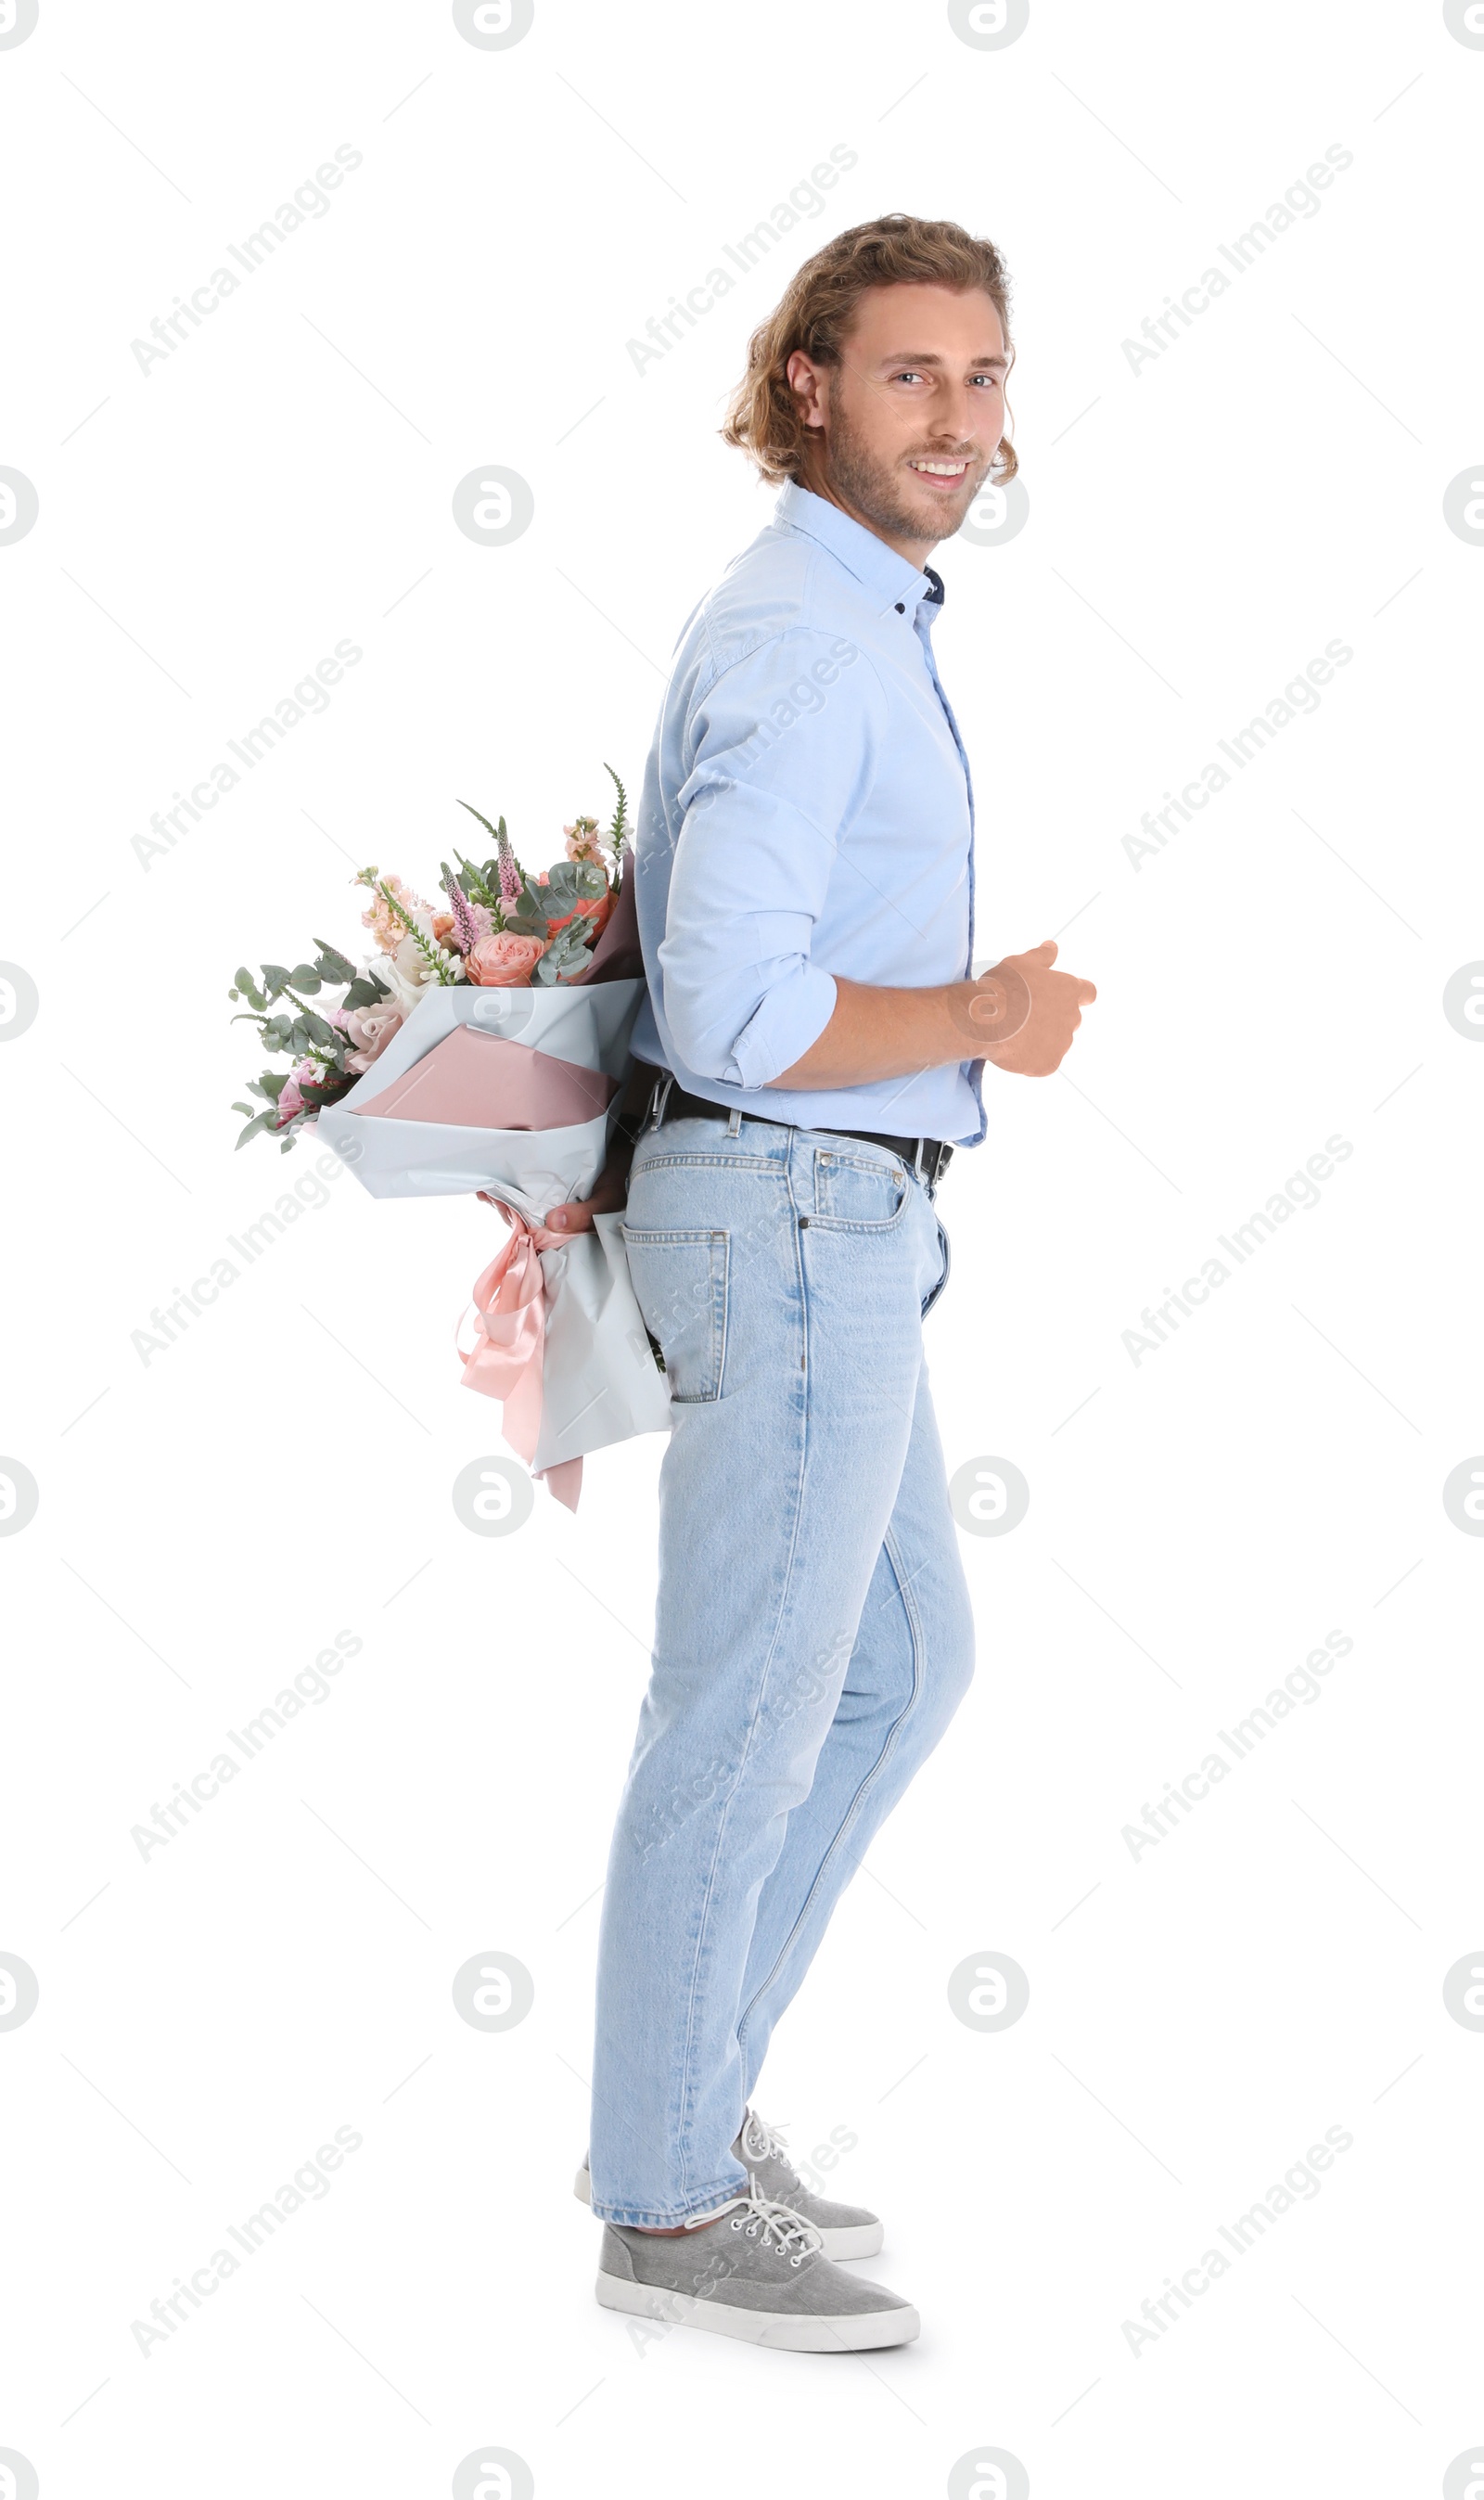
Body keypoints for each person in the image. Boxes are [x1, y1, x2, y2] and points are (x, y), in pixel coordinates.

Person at [544, 214, 1095, 2352]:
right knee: (749, 1713)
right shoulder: (800, 634)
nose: (958, 420)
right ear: (804, 385)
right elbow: (738, 1001)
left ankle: (683, 2103)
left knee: (893, 1668)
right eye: (907, 378)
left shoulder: (855, 610)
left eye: (980, 377)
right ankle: (666, 2208)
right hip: (783, 1207)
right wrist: (979, 1010)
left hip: (829, 1220)